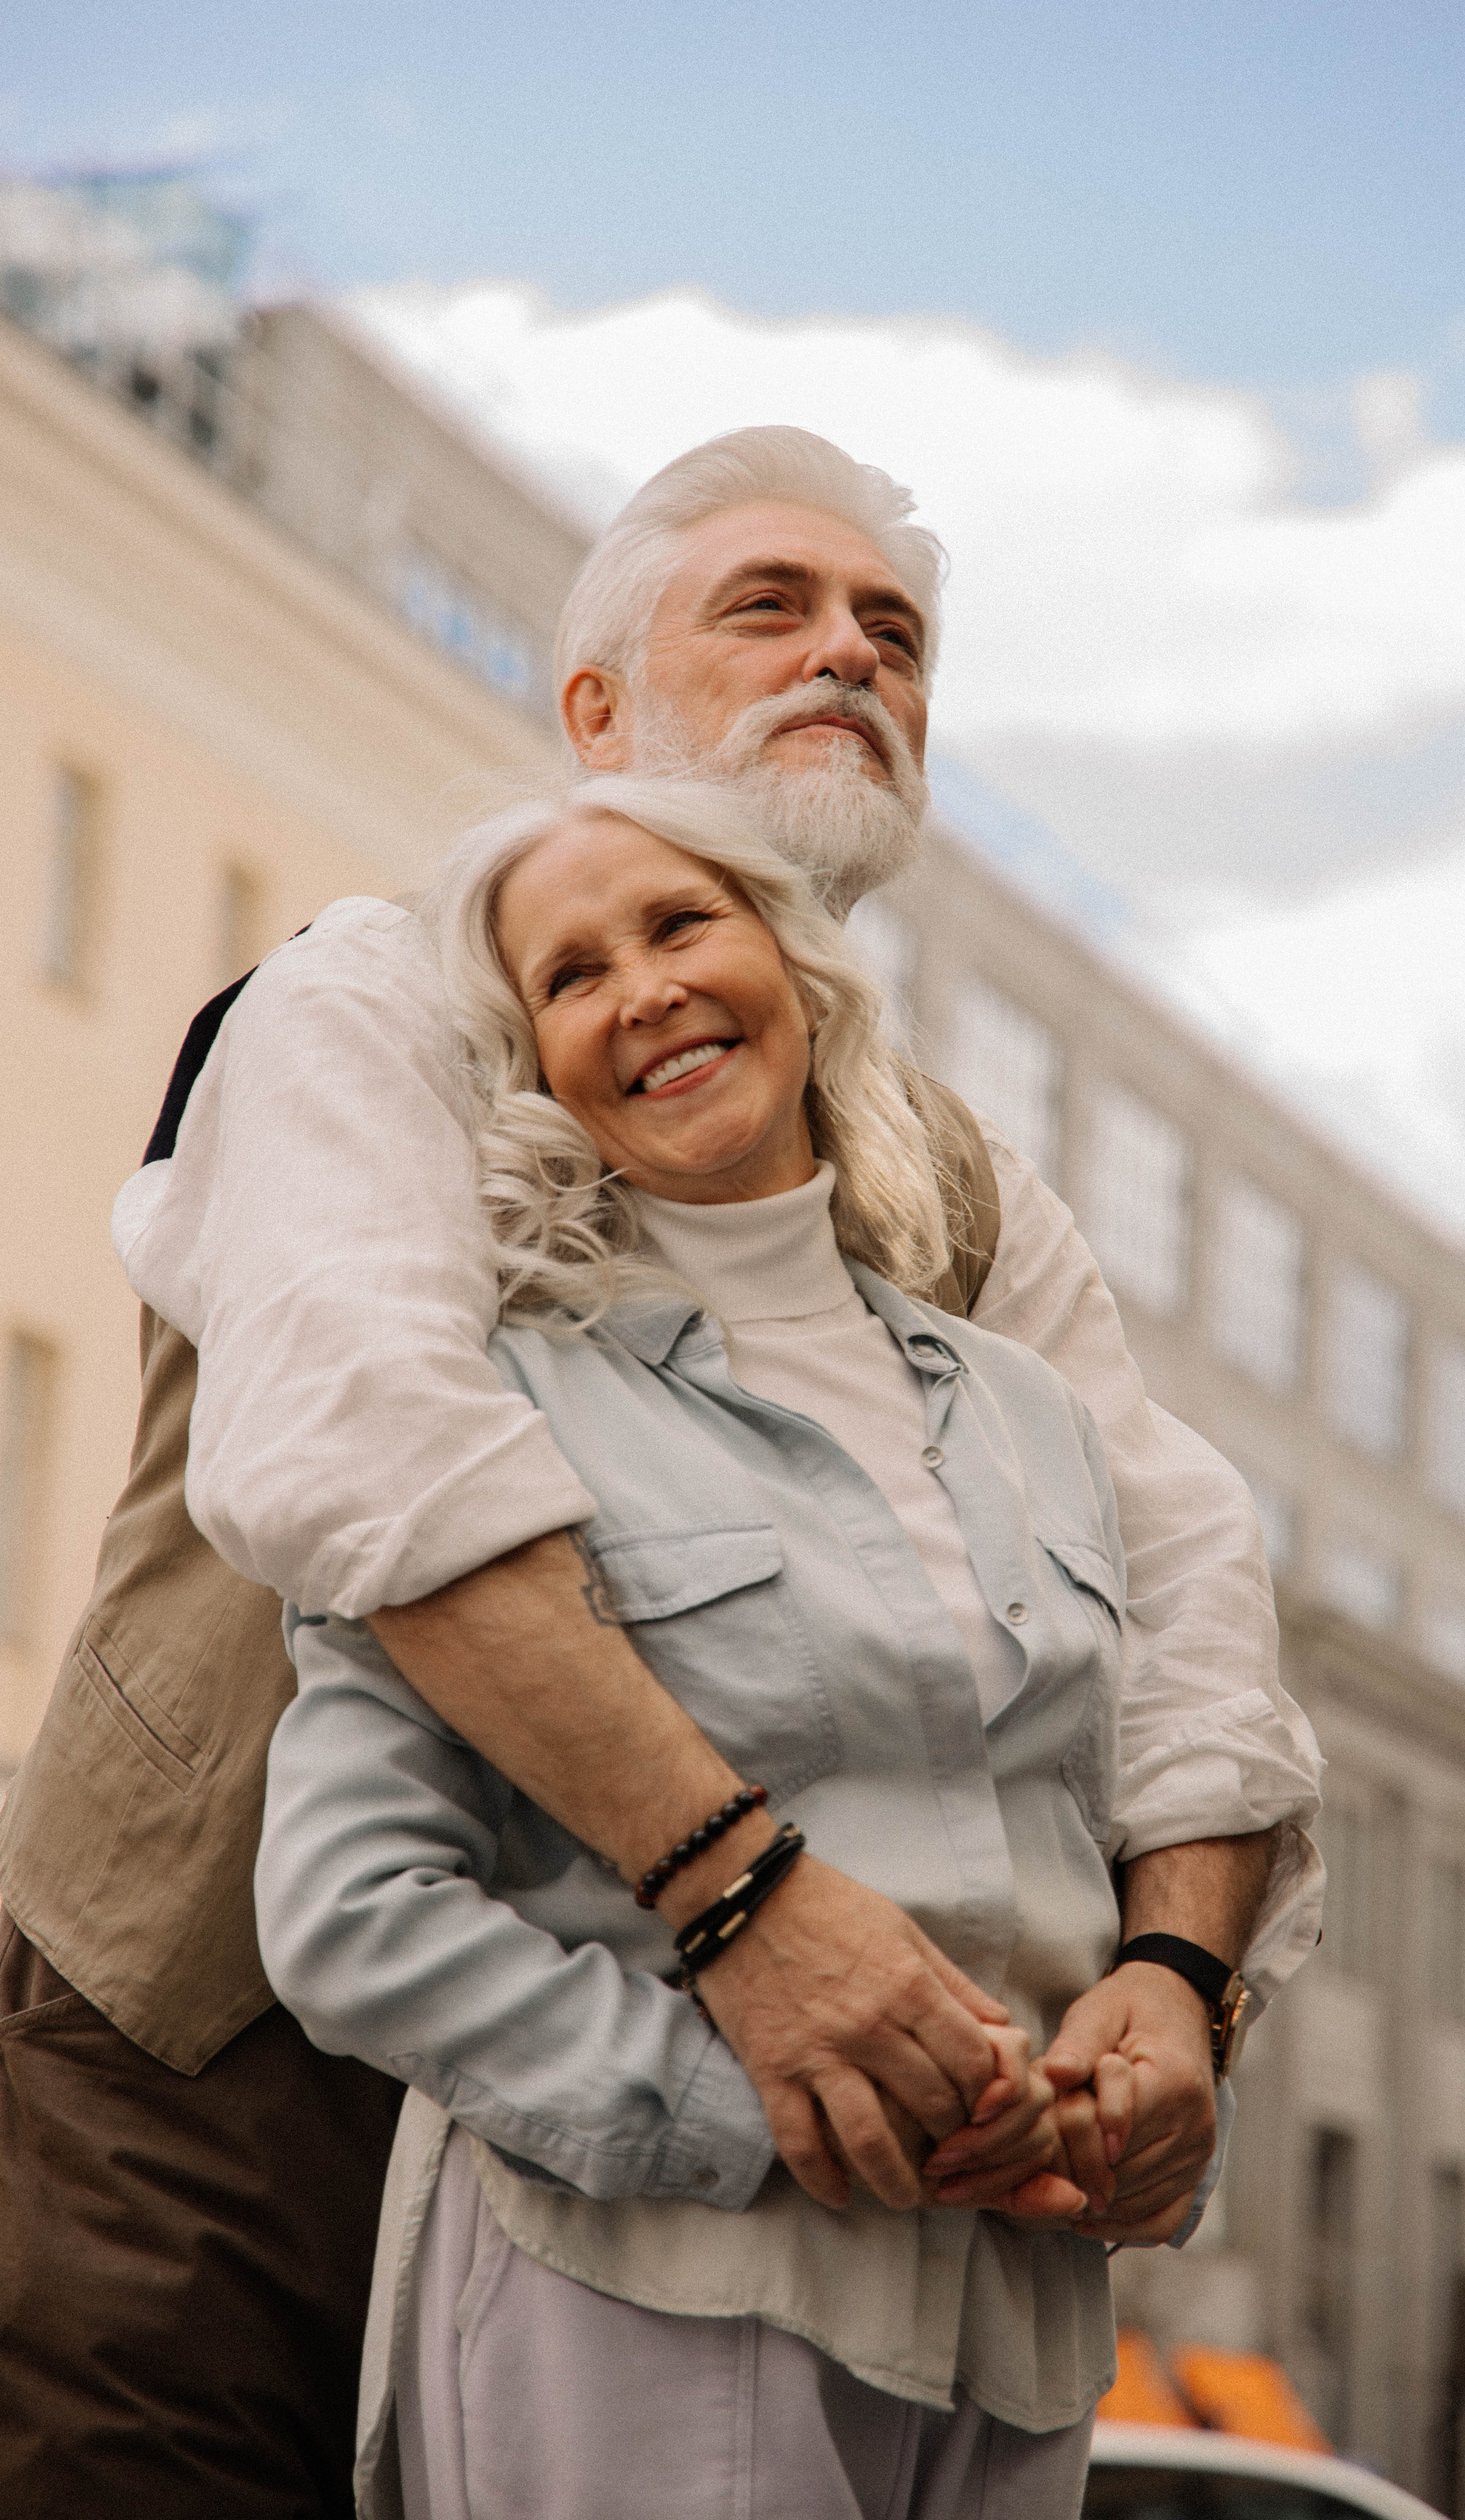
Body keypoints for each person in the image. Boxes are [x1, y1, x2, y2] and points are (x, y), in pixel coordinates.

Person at [0, 428, 1322, 2519]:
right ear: (593, 711)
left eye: (897, 635)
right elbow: (374, 1453)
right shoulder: (364, 994)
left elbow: (1189, 1581)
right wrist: (750, 1904)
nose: (852, 657)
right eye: (771, 607)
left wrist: (1177, 1980)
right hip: (234, 2056)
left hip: (792, 2170)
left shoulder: (979, 1191)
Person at [257, 774, 1275, 2519]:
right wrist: (747, 2116)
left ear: (799, 970)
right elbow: (350, 1911)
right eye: (570, 977)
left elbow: (1085, 1852)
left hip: (1017, 2328)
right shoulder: (491, 1411)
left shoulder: (1034, 1414)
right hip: (648, 2281)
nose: (640, 989)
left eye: (677, 925)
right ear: (534, 1067)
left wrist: (1132, 2073)